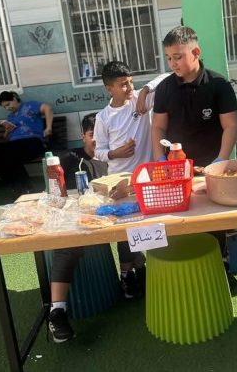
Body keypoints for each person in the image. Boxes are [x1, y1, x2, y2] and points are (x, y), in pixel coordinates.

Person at [151, 26, 237, 286]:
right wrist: (159, 160)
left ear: (196, 52)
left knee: (213, 222)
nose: (172, 63)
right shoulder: (165, 88)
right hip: (176, 167)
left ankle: (222, 269)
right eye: (169, 58)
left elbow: (231, 125)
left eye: (178, 57)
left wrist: (221, 160)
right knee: (179, 221)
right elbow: (158, 127)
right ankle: (185, 275)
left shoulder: (218, 85)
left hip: (210, 165)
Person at [94, 61, 169, 300]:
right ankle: (127, 276)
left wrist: (145, 90)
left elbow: (167, 76)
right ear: (109, 88)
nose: (129, 88)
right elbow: (98, 151)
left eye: (130, 82)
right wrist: (115, 153)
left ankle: (152, 271)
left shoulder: (141, 99)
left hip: (147, 179)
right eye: (123, 85)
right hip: (120, 182)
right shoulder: (103, 117)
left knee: (153, 226)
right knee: (127, 232)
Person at [48, 113, 108, 343]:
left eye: (103, 134)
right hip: (77, 218)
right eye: (93, 134)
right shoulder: (69, 159)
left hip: (110, 216)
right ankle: (57, 311)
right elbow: (54, 192)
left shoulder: (114, 157)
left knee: (134, 229)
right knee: (67, 242)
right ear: (83, 136)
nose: (98, 140)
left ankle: (130, 276)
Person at [0, 91, 53, 196]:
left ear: (14, 98)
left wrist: (48, 127)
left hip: (33, 141)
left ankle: (26, 188)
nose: (7, 108)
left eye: (8, 104)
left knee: (11, 156)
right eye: (5, 107)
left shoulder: (30, 106)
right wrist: (7, 131)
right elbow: (7, 138)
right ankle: (17, 186)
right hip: (15, 144)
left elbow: (47, 108)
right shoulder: (10, 118)